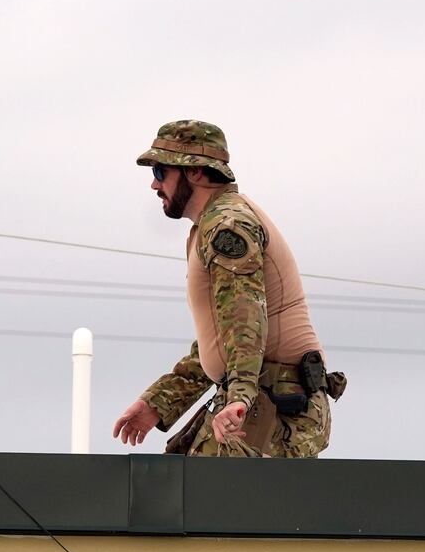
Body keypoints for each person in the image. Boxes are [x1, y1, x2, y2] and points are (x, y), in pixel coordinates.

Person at [112, 120, 345, 458]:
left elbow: (244, 320)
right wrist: (160, 402)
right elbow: (225, 337)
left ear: (195, 173)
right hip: (263, 396)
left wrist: (239, 397)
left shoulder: (228, 225)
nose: (153, 184)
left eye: (161, 171)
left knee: (200, 502)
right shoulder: (211, 225)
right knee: (183, 496)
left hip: (277, 402)